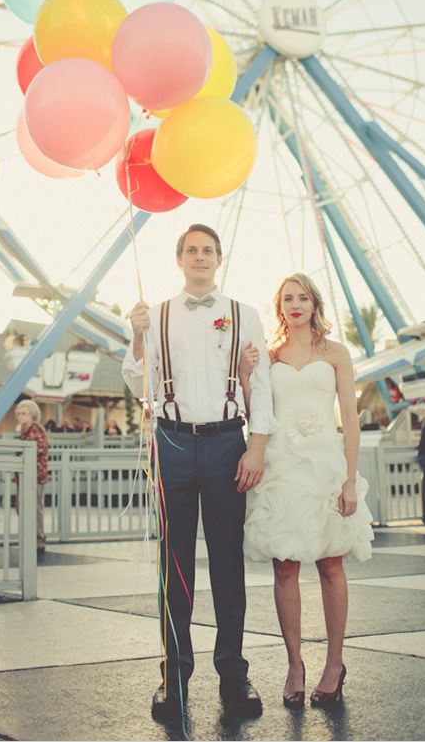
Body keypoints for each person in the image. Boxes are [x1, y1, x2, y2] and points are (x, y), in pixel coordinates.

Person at [122, 224, 274, 721]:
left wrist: (256, 445)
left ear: (220, 258)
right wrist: (137, 335)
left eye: (208, 250)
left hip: (228, 441)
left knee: (228, 561)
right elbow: (135, 378)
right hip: (170, 440)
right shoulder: (159, 314)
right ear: (179, 259)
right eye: (192, 250)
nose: (200, 257)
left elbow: (263, 385)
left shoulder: (243, 315)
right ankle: (174, 675)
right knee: (175, 563)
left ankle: (234, 672)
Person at [239, 273, 374, 708]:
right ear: (279, 307)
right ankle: (294, 664)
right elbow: (254, 408)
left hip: (324, 466)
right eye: (287, 299)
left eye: (302, 298)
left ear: (314, 304)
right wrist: (245, 375)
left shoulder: (336, 353)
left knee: (331, 564)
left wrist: (350, 478)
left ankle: (334, 663)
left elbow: (349, 419)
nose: (295, 305)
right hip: (282, 464)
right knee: (285, 568)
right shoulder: (269, 354)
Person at [14, 399, 49, 554]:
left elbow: (39, 449)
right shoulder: (23, 430)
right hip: (23, 474)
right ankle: (29, 536)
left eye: (24, 413)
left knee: (35, 507)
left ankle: (39, 540)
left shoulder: (36, 429)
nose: (20, 416)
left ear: (32, 415)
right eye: (19, 413)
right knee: (20, 506)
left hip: (35, 474)